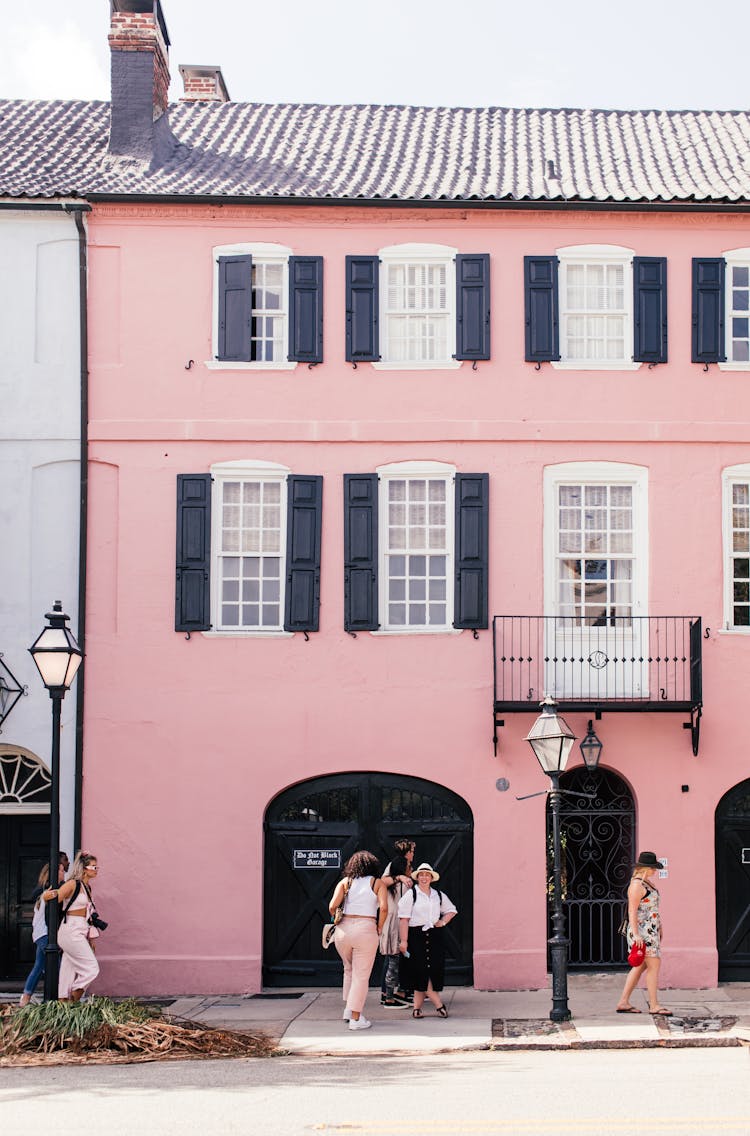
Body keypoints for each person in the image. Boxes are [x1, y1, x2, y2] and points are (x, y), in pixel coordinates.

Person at [329, 851, 388, 1031]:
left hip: (343, 930)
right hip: (366, 926)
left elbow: (332, 907)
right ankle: (356, 1018)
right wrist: (379, 927)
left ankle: (348, 1010)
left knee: (349, 969)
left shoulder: (345, 882)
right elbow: (384, 908)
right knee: (361, 975)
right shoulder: (377, 883)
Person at [398, 862, 457, 1018]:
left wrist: (442, 922)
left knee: (428, 971)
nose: (424, 877)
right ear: (417, 878)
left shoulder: (438, 895)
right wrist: (404, 941)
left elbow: (451, 910)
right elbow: (403, 919)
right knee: (421, 970)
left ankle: (416, 1009)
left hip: (434, 936)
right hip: (415, 936)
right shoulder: (411, 895)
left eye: (427, 875)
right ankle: (439, 1005)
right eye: (421, 875)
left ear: (431, 877)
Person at [616, 851, 671, 1016]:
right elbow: (632, 912)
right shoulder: (636, 886)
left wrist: (659, 925)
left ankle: (623, 1002)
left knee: (640, 967)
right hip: (642, 933)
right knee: (654, 965)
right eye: (654, 868)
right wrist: (637, 935)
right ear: (646, 868)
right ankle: (654, 1005)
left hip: (650, 930)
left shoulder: (646, 883)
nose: (655, 871)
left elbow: (651, 909)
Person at [43, 850, 101, 1002]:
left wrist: (91, 938)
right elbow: (55, 897)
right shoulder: (72, 884)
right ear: (84, 868)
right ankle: (73, 1001)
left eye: (97, 867)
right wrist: (46, 895)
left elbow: (89, 917)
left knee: (68, 971)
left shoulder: (87, 888)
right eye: (93, 867)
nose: (96, 870)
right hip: (70, 929)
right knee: (91, 968)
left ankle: (62, 1001)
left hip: (81, 929)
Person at [19, 852, 69, 1007]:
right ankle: (59, 999)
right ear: (53, 873)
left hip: (41, 933)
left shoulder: (54, 889)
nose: (63, 873)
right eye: (60, 870)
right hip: (44, 934)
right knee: (57, 966)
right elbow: (44, 900)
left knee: (39, 966)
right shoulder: (47, 891)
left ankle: (25, 998)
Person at [378, 850, 413, 1007]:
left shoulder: (392, 885)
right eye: (409, 867)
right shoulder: (401, 885)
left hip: (390, 922)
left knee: (394, 960)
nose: (410, 869)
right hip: (397, 923)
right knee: (394, 960)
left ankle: (394, 993)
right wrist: (401, 877)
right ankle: (389, 997)